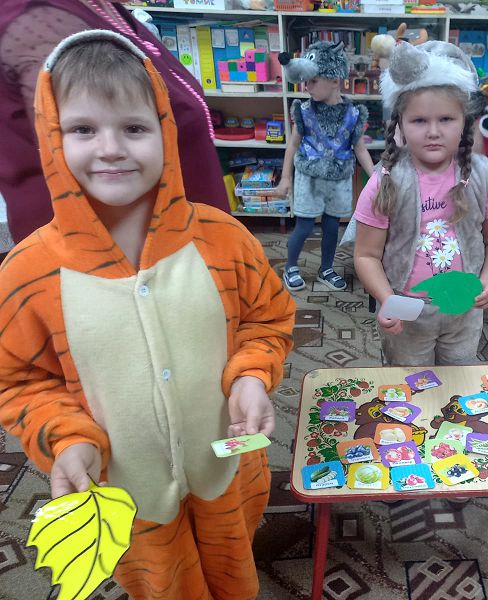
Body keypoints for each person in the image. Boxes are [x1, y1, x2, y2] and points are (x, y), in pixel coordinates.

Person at [0, 31, 295, 598]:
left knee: (235, 572)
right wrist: (67, 438)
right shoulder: (28, 273)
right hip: (128, 493)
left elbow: (268, 320)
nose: (111, 148)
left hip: (224, 471)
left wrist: (253, 376)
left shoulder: (224, 239)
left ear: (165, 131)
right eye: (83, 129)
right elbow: (19, 381)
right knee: (163, 587)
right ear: (51, 136)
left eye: (134, 128)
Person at [0, 0, 230, 245]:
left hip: (182, 235)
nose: (110, 149)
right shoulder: (42, 20)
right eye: (84, 130)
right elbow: (89, 157)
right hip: (123, 249)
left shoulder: (106, 7)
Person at [353, 40, 488, 366]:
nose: (434, 132)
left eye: (447, 119)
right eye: (419, 121)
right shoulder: (385, 181)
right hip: (408, 315)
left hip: (464, 311)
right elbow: (366, 255)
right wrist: (386, 299)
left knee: (460, 380)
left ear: (465, 121)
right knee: (411, 386)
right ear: (400, 123)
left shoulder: (482, 175)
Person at [275, 41, 374, 292]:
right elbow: (292, 145)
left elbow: (359, 148)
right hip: (309, 177)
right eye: (305, 82)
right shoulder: (303, 111)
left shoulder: (353, 113)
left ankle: (326, 268)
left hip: (339, 178)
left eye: (313, 81)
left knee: (332, 226)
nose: (306, 86)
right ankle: (290, 267)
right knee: (305, 226)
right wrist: (285, 177)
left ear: (334, 80)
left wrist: (375, 178)